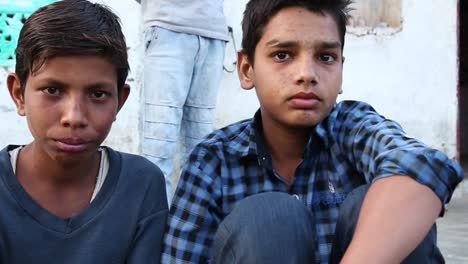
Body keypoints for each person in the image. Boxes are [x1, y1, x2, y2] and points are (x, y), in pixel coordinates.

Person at [162, 0, 464, 263]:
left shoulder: (353, 128)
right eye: (283, 55)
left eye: (325, 57)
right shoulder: (213, 160)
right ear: (246, 69)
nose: (307, 73)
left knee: (391, 199)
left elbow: (423, 164)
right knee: (269, 219)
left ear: (341, 70)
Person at [0, 0, 167, 263]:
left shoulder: (141, 185)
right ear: (19, 94)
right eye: (53, 90)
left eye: (97, 94)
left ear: (119, 102)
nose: (74, 117)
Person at [135, 0, 229, 202]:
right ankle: (154, 228)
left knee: (201, 152)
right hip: (167, 27)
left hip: (213, 31)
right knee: (158, 147)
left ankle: (192, 227)